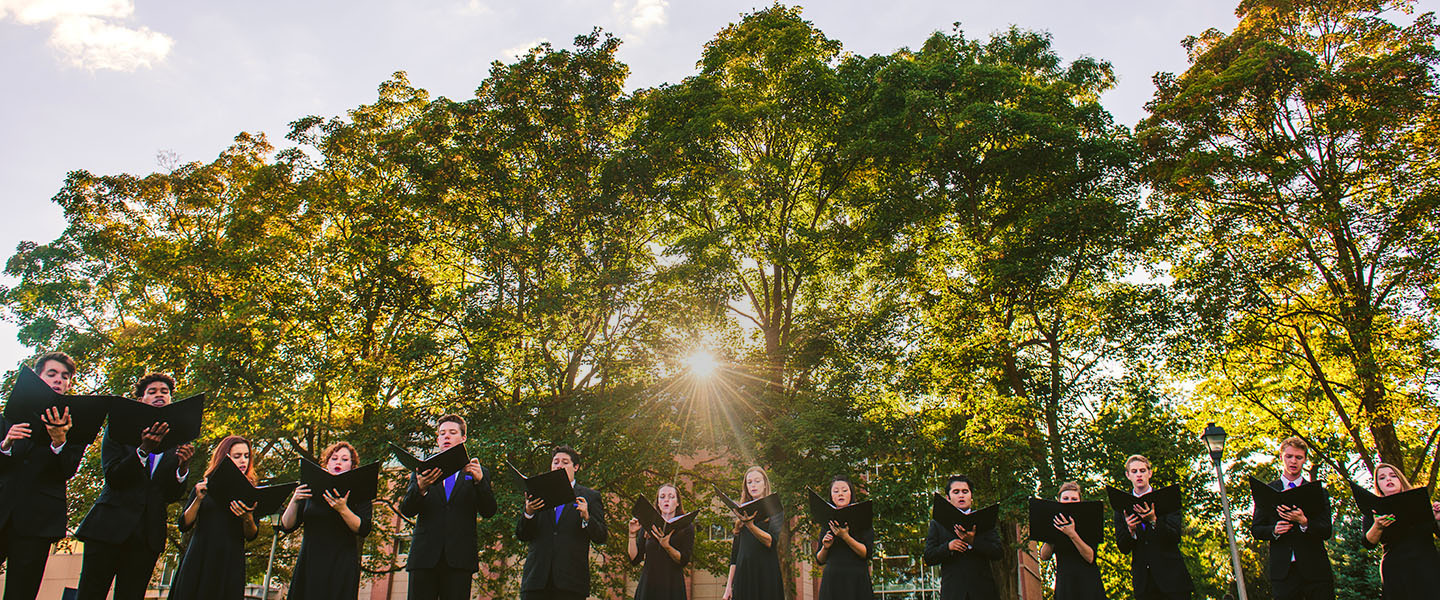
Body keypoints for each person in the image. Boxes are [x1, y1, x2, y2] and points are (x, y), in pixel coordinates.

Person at [74, 372, 197, 600]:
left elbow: (171, 494)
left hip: (147, 536)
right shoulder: (118, 430)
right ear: (141, 399)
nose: (159, 395)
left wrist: (183, 468)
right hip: (108, 529)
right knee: (91, 593)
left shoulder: (178, 440)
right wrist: (143, 450)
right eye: (152, 392)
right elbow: (114, 477)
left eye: (165, 392)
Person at [0, 351, 87, 600]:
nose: (59, 379)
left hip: (37, 521)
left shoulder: (76, 423)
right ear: (38, 377)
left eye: (65, 376)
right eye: (52, 374)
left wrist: (59, 442)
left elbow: (67, 471)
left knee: (21, 592)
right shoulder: (9, 416)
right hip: (2, 508)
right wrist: (5, 444)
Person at [399, 414, 496, 600]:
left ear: (463, 438)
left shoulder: (478, 472)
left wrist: (480, 482)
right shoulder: (422, 470)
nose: (446, 437)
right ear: (437, 439)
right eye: (442, 433)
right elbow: (408, 510)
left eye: (452, 432)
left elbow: (489, 511)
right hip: (424, 558)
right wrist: (420, 487)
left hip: (459, 560)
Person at [168, 435, 261, 600]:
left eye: (246, 456)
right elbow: (184, 524)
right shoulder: (205, 485)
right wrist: (198, 499)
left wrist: (247, 517)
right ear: (224, 457)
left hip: (229, 560)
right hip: (200, 556)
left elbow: (252, 535)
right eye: (237, 456)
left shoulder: (250, 492)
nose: (243, 461)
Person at [280, 441, 374, 600]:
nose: (338, 462)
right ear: (326, 463)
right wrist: (295, 500)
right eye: (334, 458)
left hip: (340, 562)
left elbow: (363, 528)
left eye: (345, 460)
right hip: (311, 561)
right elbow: (286, 525)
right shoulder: (310, 488)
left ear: (352, 466)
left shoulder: (360, 493)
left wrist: (343, 509)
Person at [517, 445, 608, 600]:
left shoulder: (590, 496)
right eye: (556, 462)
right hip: (536, 581)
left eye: (565, 462)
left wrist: (587, 517)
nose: (559, 465)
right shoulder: (537, 493)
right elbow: (522, 535)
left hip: (571, 584)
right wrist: (529, 513)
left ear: (576, 467)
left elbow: (601, 536)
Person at [1249, 437, 1333, 600]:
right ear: (1281, 457)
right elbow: (1256, 529)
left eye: (1298, 457)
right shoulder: (1267, 492)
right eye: (1289, 456)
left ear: (1304, 460)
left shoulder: (1317, 492)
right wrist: (1274, 530)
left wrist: (1304, 522)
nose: (1293, 461)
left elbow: (1326, 530)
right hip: (1283, 573)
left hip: (1315, 572)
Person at [1113, 455, 1192, 600]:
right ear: (1128, 475)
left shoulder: (1167, 499)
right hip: (1144, 584)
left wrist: (1154, 521)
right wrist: (1131, 530)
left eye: (1142, 470)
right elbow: (1123, 547)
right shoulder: (1120, 507)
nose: (1139, 475)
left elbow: (1175, 537)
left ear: (1149, 473)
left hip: (1172, 581)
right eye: (1134, 471)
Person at [1361, 462, 1440, 599]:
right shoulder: (1374, 510)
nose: (1388, 479)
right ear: (1378, 485)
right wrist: (1377, 526)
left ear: (1401, 479)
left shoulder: (1419, 502)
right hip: (1395, 569)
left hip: (1427, 565)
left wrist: (1438, 519)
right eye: (1382, 478)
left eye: (1393, 476)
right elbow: (1368, 543)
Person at [923, 474, 1001, 600]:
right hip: (953, 592)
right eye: (956, 492)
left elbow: (998, 553)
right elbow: (929, 557)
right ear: (948, 498)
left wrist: (973, 541)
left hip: (983, 592)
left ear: (971, 497)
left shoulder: (984, 520)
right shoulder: (938, 523)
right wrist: (948, 547)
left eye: (965, 491)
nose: (961, 495)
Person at [723, 466, 783, 600]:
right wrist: (728, 587)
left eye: (757, 481)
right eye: (749, 482)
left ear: (765, 484)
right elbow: (734, 556)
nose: (753, 485)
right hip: (744, 575)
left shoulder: (775, 510)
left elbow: (770, 541)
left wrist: (750, 525)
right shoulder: (741, 513)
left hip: (766, 573)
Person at [1038, 482, 1106, 600]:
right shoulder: (1053, 521)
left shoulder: (1089, 522)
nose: (1069, 501)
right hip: (1065, 585)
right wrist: (1052, 535)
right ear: (1059, 500)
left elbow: (1090, 557)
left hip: (1088, 585)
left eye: (1074, 499)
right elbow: (1044, 556)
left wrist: (1072, 534)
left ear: (1080, 501)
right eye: (1066, 498)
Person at [627, 483, 694, 600]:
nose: (666, 500)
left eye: (671, 496)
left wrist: (666, 546)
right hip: (649, 585)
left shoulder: (686, 527)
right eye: (662, 497)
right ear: (658, 503)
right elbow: (635, 559)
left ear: (678, 503)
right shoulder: (648, 525)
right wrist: (632, 535)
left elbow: (684, 560)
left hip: (672, 586)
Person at [815, 475, 873, 600]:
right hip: (833, 580)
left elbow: (866, 552)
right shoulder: (828, 521)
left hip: (856, 579)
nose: (840, 494)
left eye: (844, 490)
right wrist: (825, 547)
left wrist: (845, 537)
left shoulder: (863, 517)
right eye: (836, 491)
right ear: (831, 495)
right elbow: (819, 559)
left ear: (851, 493)